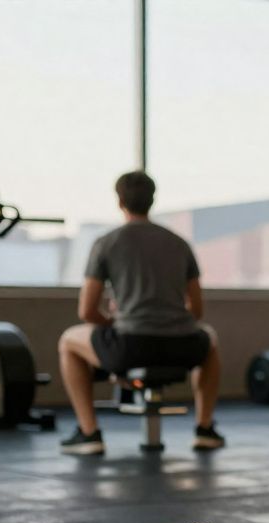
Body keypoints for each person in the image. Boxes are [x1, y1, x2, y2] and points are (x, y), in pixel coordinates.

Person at [57, 171, 224, 455]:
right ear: (152, 200)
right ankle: (204, 429)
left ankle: (89, 433)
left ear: (120, 201)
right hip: (183, 346)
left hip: (130, 346)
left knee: (68, 341)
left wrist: (112, 322)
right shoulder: (179, 243)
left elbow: (86, 311)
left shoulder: (107, 243)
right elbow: (196, 311)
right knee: (210, 338)